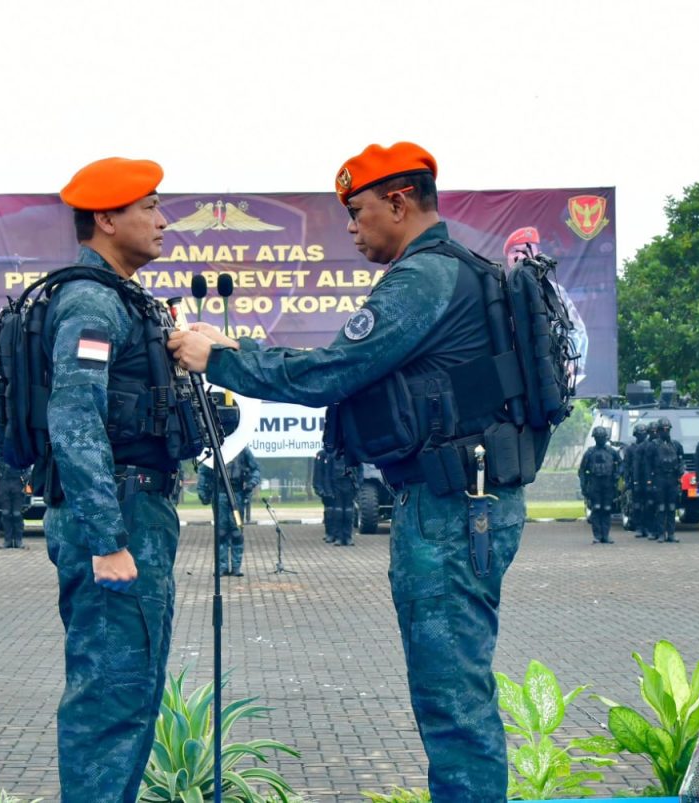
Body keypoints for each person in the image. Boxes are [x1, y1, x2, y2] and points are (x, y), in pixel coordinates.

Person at [169, 141, 527, 803]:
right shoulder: (467, 270)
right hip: (470, 500)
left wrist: (219, 355)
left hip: (449, 510)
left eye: (358, 210)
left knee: (452, 704)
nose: (353, 227)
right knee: (458, 696)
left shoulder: (422, 279)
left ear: (398, 201)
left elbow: (334, 370)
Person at [45, 156, 187, 802]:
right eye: (148, 206)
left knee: (132, 699)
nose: (162, 220)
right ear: (105, 217)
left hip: (139, 510)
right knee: (108, 704)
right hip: (118, 517)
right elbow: (74, 417)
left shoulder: (124, 300)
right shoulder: (90, 302)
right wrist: (107, 539)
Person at [503, 226, 589, 385]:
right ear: (508, 258)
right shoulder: (500, 292)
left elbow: (577, 330)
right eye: (515, 251)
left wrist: (568, 364)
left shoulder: (555, 292)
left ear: (537, 254)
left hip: (550, 375)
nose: (521, 256)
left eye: (526, 250)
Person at [196, 446, 261, 575]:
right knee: (221, 532)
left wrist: (251, 484)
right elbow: (203, 471)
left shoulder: (242, 449)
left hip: (237, 496)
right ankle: (222, 566)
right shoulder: (214, 448)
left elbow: (255, 470)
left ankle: (236, 567)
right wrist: (203, 491)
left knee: (237, 532)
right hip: (219, 495)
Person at [579, 426, 621, 544]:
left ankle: (606, 535)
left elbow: (622, 464)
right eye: (598, 438)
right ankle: (597, 535)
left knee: (607, 509)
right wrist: (584, 485)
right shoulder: (590, 452)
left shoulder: (612, 452)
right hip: (594, 483)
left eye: (602, 437)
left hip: (608, 484)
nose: (600, 439)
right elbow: (582, 470)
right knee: (596, 509)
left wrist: (617, 474)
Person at [646, 417, 684, 543]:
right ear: (658, 430)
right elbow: (647, 464)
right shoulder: (652, 445)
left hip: (672, 478)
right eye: (663, 429)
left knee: (672, 507)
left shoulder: (676, 445)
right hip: (659, 478)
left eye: (668, 429)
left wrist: (681, 470)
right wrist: (649, 481)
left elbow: (681, 460)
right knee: (661, 507)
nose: (666, 431)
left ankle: (671, 534)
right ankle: (661, 533)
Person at [315, 448, 361, 546]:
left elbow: (360, 471)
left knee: (349, 513)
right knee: (338, 513)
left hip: (349, 486)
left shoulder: (354, 454)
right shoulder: (332, 455)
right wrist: (328, 490)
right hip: (337, 486)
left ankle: (348, 537)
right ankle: (339, 537)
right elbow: (327, 474)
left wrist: (358, 485)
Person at [621, 422, 649, 537]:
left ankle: (648, 527)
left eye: (643, 434)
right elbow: (627, 466)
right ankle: (639, 527)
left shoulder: (650, 446)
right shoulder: (630, 449)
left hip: (648, 480)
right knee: (636, 506)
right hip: (635, 480)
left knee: (649, 505)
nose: (641, 436)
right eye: (639, 434)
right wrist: (627, 481)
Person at [0, 460, 28, 549]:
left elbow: (28, 462)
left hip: (17, 483)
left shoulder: (19, 449)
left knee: (17, 514)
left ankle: (18, 540)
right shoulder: (0, 451)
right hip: (4, 483)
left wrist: (26, 476)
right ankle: (7, 540)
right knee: (5, 513)